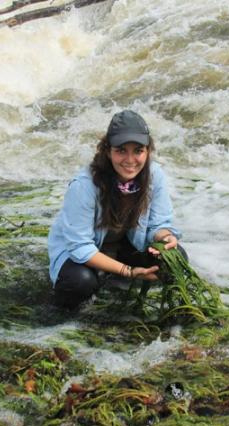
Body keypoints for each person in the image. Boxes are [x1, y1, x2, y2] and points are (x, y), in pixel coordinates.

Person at [48, 110, 187, 309]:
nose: (130, 160)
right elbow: (80, 247)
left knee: (175, 257)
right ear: (107, 151)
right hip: (83, 252)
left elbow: (158, 225)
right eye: (121, 150)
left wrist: (165, 237)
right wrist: (127, 271)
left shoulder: (155, 175)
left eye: (138, 150)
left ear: (147, 151)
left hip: (125, 246)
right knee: (81, 283)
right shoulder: (84, 186)